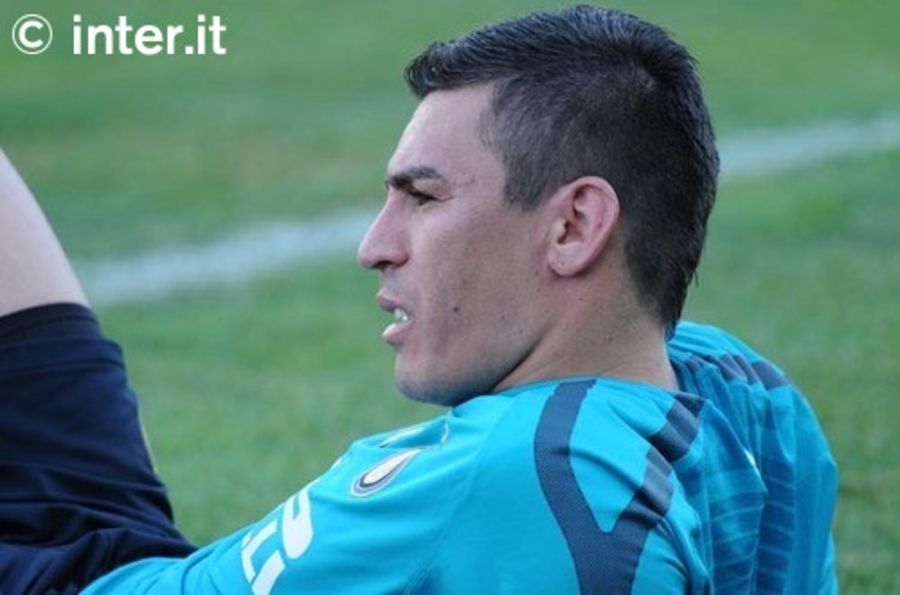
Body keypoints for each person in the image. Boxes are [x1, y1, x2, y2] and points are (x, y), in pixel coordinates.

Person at [0, 6, 837, 594]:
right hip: (119, 556)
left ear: (573, 226)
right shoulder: (743, 390)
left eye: (423, 197)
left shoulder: (535, 478)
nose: (374, 244)